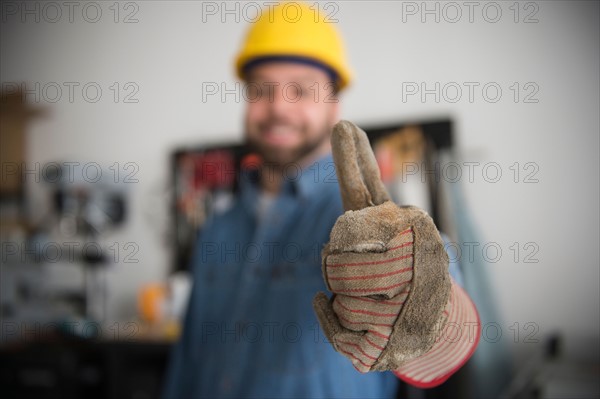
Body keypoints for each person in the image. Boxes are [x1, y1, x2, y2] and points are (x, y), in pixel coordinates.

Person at [162, 2, 479, 398]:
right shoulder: (217, 229)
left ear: (334, 103)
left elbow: (445, 334)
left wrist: (420, 293)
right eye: (262, 89)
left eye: (300, 89)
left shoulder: (368, 222)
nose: (278, 106)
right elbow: (187, 364)